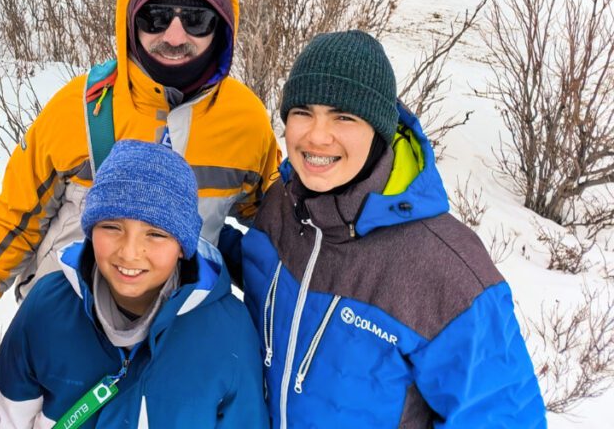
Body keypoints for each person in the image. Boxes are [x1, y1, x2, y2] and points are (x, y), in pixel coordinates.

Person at [228, 30, 546, 427]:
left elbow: (502, 417)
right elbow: (265, 278)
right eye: (303, 112)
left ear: (379, 130)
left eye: (344, 116)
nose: (316, 135)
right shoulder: (284, 203)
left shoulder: (446, 270)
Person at [0, 0, 281, 305]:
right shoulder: (78, 107)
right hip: (67, 324)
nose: (175, 36)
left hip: (179, 332)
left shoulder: (246, 121)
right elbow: (13, 226)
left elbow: (279, 234)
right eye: (156, 17)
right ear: (130, 20)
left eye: (196, 19)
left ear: (221, 24)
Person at [0, 140, 268, 428]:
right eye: (111, 227)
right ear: (91, 229)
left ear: (183, 245)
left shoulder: (229, 330)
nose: (130, 253)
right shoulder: (46, 307)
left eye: (155, 234)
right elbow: (2, 420)